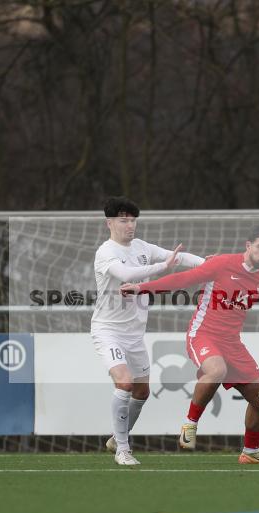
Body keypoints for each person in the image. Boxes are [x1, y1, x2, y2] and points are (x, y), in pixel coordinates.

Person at [122, 224, 259, 464]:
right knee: (217, 370)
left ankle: (250, 452)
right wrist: (141, 288)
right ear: (248, 245)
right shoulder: (222, 264)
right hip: (203, 335)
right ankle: (190, 424)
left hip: (233, 344)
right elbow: (181, 279)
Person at [92, 197, 204, 466]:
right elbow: (127, 275)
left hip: (135, 334)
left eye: (132, 220)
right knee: (125, 383)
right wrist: (162, 268)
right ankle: (122, 449)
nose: (129, 225)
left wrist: (206, 265)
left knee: (141, 393)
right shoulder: (106, 252)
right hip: (108, 330)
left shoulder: (142, 247)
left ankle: (115, 438)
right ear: (110, 223)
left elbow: (175, 257)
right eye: (123, 220)